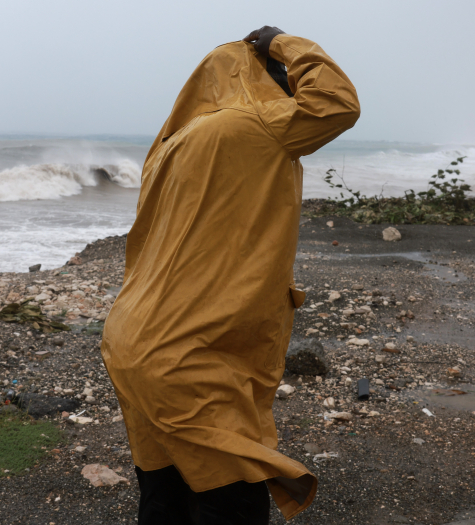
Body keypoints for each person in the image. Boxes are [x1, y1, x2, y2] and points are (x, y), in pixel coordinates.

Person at [100, 26, 360, 524]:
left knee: (165, 493)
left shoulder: (170, 147)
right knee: (231, 502)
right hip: (185, 351)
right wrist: (281, 40)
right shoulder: (257, 125)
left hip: (132, 338)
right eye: (282, 80)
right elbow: (336, 101)